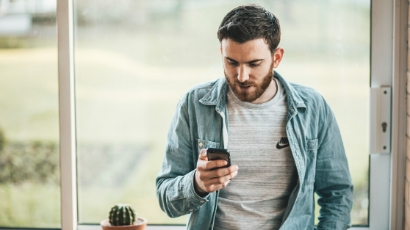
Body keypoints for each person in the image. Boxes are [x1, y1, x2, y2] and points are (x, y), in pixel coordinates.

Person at [156, 4, 353, 230]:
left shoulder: (313, 108)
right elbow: (166, 198)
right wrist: (197, 184)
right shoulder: (193, 105)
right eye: (232, 62)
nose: (241, 76)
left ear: (276, 58)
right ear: (222, 53)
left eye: (254, 64)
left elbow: (337, 193)